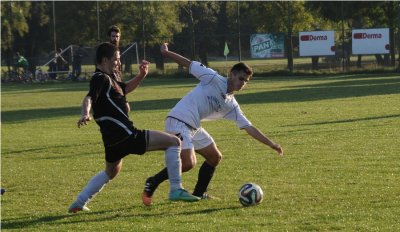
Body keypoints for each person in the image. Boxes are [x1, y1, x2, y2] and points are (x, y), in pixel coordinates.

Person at [141, 43, 284, 206]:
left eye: (246, 81)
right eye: (241, 78)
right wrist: (166, 53)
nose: (243, 83)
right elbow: (188, 63)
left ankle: (199, 194)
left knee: (214, 156)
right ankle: (152, 182)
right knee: (188, 163)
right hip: (179, 120)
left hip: (193, 126)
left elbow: (249, 127)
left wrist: (271, 144)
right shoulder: (212, 78)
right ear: (231, 74)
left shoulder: (231, 104)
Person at [68, 42, 199, 213]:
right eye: (116, 59)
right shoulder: (99, 78)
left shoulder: (111, 78)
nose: (118, 62)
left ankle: (78, 202)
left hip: (112, 141)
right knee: (173, 142)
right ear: (105, 60)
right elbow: (89, 98)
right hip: (126, 135)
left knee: (111, 171)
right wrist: (86, 113)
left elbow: (124, 89)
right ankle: (176, 189)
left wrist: (141, 75)